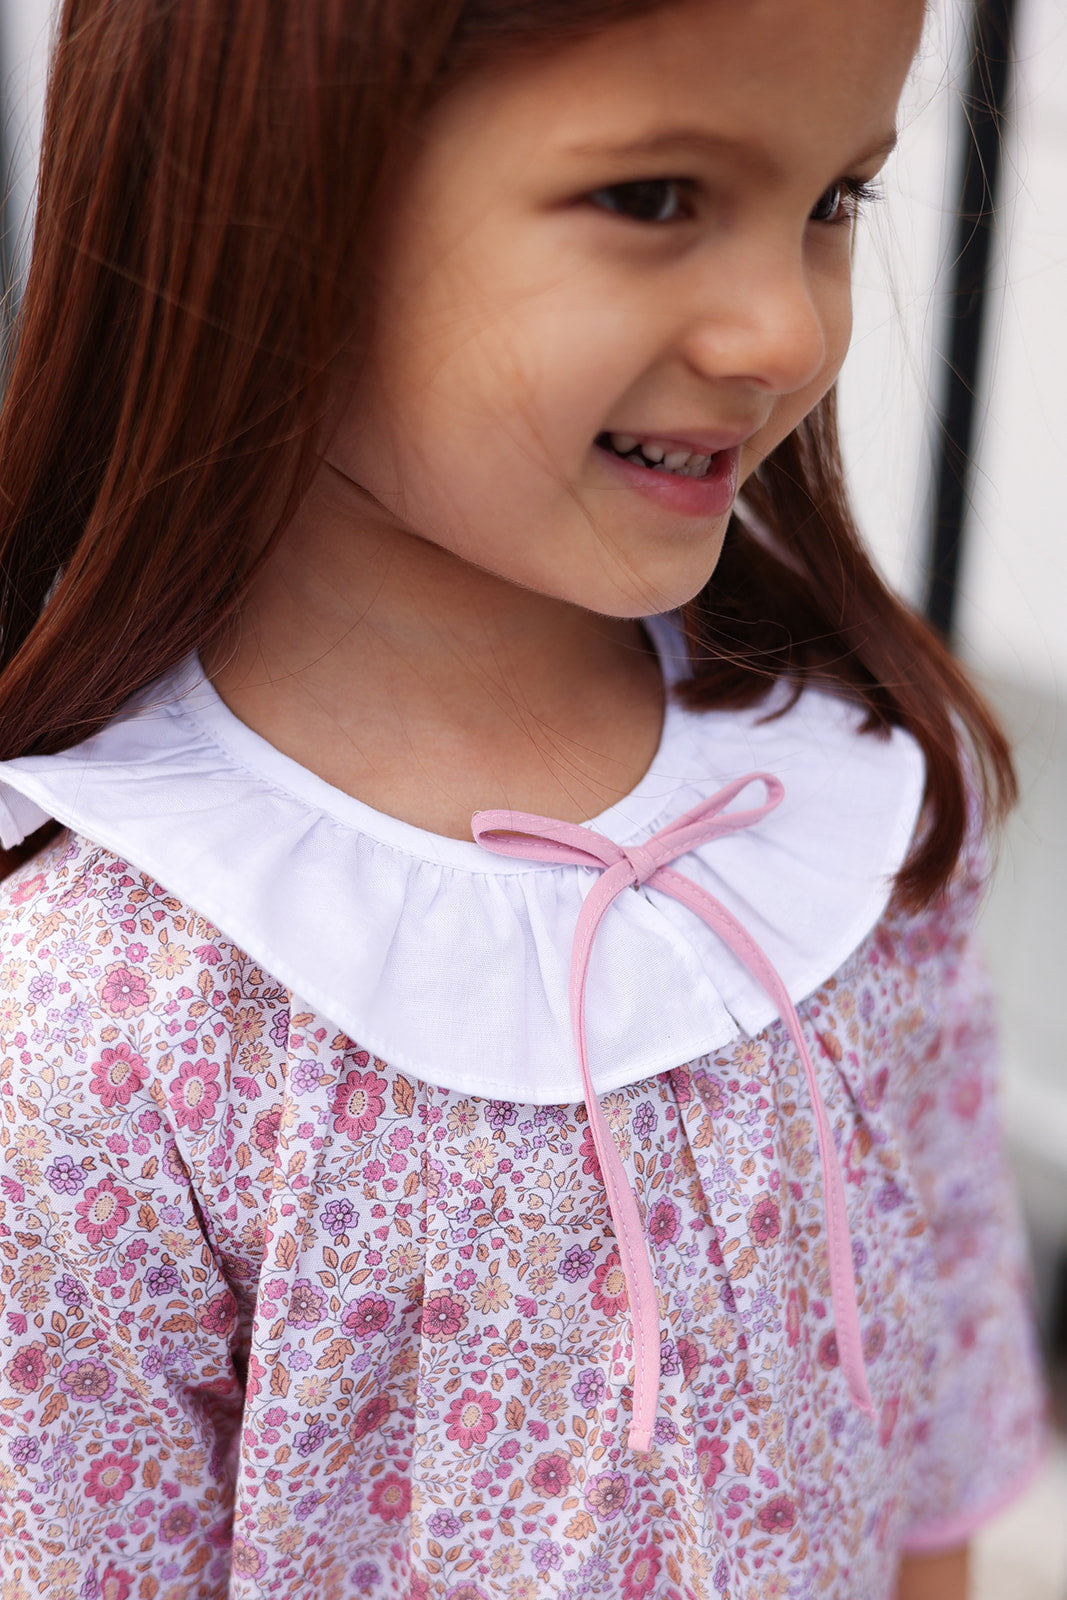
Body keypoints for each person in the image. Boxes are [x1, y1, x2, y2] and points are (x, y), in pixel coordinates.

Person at [0, 0, 1046, 1595]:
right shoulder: (100, 1022)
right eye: (654, 197)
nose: (786, 332)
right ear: (268, 185)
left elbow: (932, 1417)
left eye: (837, 197)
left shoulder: (845, 788)